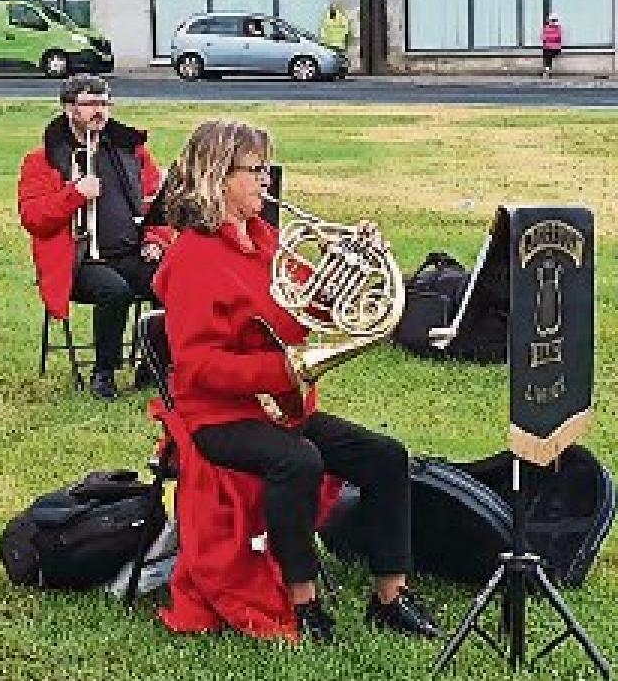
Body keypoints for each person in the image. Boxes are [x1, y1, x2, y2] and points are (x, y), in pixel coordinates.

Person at [151, 119, 442, 642]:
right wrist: (282, 369)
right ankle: (302, 602)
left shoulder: (263, 239)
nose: (267, 180)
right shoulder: (190, 259)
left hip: (279, 408)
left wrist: (357, 260)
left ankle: (391, 596)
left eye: (266, 169)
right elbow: (198, 368)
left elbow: (313, 305)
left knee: (386, 455)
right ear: (218, 177)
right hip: (216, 416)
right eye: (255, 171)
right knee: (298, 460)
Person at [18, 74, 170, 400]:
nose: (99, 111)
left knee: (172, 278)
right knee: (114, 291)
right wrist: (74, 194)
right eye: (90, 104)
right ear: (68, 108)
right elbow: (33, 218)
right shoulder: (41, 159)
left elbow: (159, 203)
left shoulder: (132, 153)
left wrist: (155, 240)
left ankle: (153, 365)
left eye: (104, 103)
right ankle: (104, 372)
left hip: (130, 251)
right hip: (79, 261)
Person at [541, 13, 563, 78]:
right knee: (548, 53)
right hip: (550, 47)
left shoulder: (557, 28)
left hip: (554, 47)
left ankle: (547, 69)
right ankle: (547, 69)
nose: (552, 22)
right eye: (552, 20)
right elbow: (543, 37)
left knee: (548, 53)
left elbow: (557, 38)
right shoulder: (548, 28)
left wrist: (549, 39)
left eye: (553, 20)